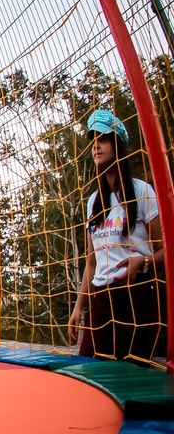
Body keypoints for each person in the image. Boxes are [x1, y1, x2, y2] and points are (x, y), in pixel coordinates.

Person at [69, 109, 164, 363]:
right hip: (101, 301)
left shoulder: (143, 191)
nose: (96, 146)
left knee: (128, 382)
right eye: (93, 141)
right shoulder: (93, 202)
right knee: (86, 372)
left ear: (117, 144)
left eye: (103, 139)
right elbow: (92, 262)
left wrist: (142, 262)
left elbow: (166, 251)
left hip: (137, 297)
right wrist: (79, 307)